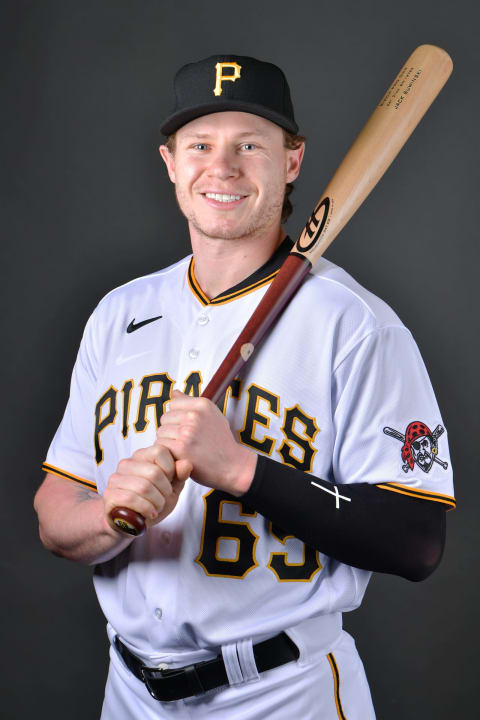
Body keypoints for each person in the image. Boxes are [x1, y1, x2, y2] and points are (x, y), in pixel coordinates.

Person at [34, 55, 455, 720]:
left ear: (292, 161)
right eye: (201, 145)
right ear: (171, 162)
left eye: (250, 145)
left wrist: (242, 469)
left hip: (283, 693)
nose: (222, 168)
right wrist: (111, 516)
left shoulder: (356, 325)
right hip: (129, 695)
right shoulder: (118, 313)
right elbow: (56, 510)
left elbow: (416, 541)